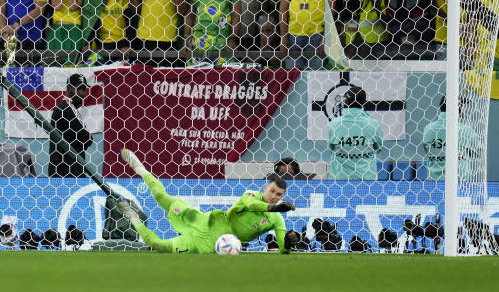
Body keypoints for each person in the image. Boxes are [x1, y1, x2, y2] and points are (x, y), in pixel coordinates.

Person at [118, 148, 297, 254]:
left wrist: (289, 242)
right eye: (272, 191)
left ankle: (132, 217)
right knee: (162, 197)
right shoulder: (251, 196)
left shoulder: (276, 219)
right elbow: (252, 206)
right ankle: (140, 168)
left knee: (159, 246)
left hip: (208, 243)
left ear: (282, 196)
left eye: (279, 194)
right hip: (203, 220)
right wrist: (274, 208)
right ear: (265, 188)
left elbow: (283, 249)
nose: (274, 196)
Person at [327, 86, 385, 180]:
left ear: (345, 101)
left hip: (339, 179)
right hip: (366, 178)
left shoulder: (334, 124)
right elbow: (379, 147)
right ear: (364, 102)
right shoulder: (373, 124)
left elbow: (332, 148)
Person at [421, 96, 479, 182]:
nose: (463, 109)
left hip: (433, 183)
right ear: (458, 106)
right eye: (462, 105)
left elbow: (427, 151)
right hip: (460, 183)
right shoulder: (466, 130)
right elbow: (478, 154)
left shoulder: (428, 128)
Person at [49, 73, 92, 178]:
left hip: (67, 171)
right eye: (79, 88)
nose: (82, 93)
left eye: (84, 89)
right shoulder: (67, 108)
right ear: (68, 88)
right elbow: (87, 139)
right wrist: (88, 138)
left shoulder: (68, 107)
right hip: (67, 173)